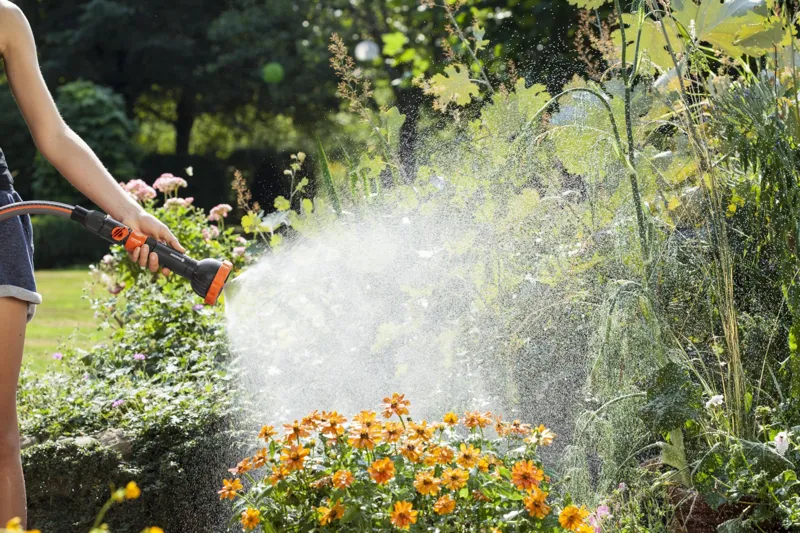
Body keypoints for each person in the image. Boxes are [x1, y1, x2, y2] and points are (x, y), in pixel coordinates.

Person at [0, 1, 183, 525]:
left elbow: (53, 134)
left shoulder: (4, 19)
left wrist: (129, 210)